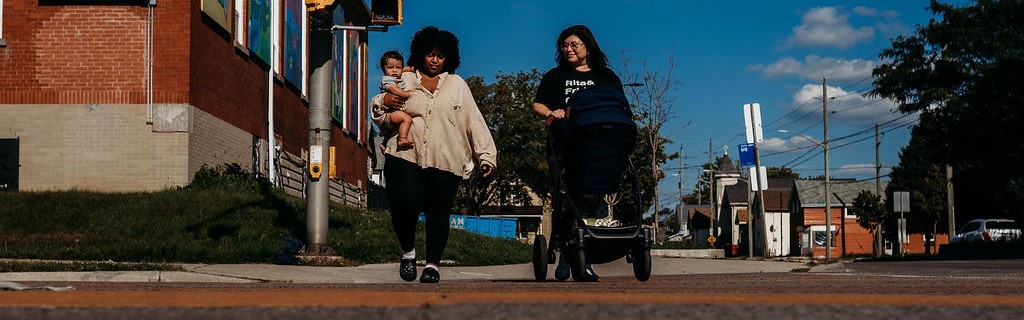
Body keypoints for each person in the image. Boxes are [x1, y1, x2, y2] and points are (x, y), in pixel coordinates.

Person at [371, 26, 497, 283]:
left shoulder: (457, 85)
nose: (435, 60)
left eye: (440, 55)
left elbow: (474, 121)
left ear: (448, 57)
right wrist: (383, 103)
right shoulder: (404, 80)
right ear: (420, 54)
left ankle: (432, 265)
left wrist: (486, 156)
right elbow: (380, 113)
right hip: (404, 155)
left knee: (438, 213)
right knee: (403, 207)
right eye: (430, 54)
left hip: (445, 158)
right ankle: (408, 252)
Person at [532, 24, 624, 282]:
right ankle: (564, 251)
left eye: (574, 44)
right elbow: (538, 104)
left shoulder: (607, 78)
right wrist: (551, 113)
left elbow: (620, 107)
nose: (569, 49)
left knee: (592, 199)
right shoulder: (555, 76)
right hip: (563, 146)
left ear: (587, 46)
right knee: (566, 199)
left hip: (597, 148)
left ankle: (586, 255)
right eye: (565, 45)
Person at [376, 50, 415, 149]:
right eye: (390, 67)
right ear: (383, 69)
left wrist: (411, 69)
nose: (394, 70)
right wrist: (407, 94)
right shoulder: (387, 79)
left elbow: (403, 69)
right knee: (406, 119)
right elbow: (395, 90)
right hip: (389, 111)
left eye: (398, 68)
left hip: (394, 110)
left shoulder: (397, 74)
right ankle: (402, 139)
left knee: (392, 130)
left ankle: (384, 144)